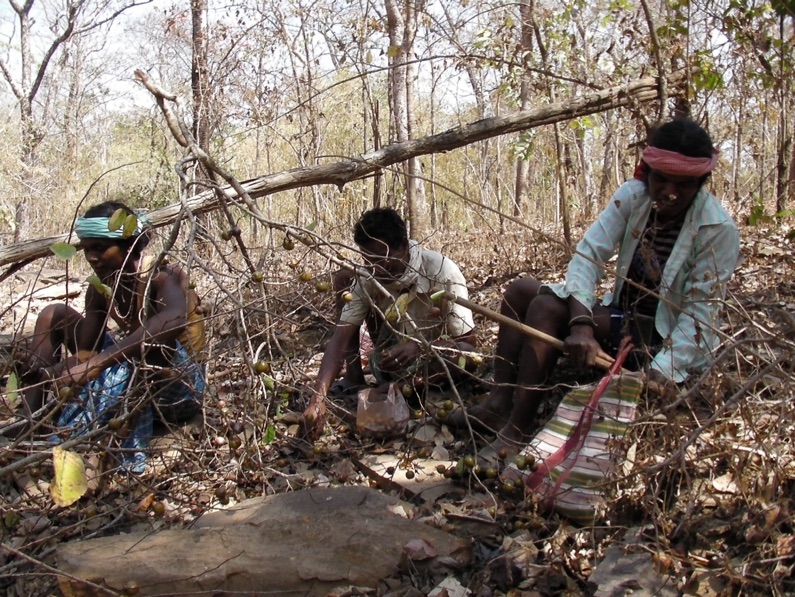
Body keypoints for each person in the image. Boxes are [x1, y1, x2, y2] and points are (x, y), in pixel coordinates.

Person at [462, 118, 740, 457]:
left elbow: (700, 315)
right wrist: (581, 325)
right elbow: (588, 255)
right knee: (521, 291)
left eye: (683, 185)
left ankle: (518, 429)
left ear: (700, 183)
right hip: (620, 314)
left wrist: (660, 371)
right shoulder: (633, 197)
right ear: (647, 173)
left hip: (658, 335)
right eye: (661, 179)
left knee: (545, 308)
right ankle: (499, 401)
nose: (669, 191)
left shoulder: (716, 228)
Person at [20, 201, 206, 471]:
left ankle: (123, 449)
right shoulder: (100, 287)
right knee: (53, 314)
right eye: (87, 249)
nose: (92, 257)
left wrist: (98, 363)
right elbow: (88, 349)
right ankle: (30, 422)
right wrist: (62, 368)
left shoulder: (162, 274)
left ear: (129, 245)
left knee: (153, 346)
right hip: (130, 369)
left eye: (100, 248)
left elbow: (172, 321)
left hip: (178, 387)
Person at [302, 207, 477, 441]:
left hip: (434, 359)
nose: (376, 269)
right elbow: (340, 338)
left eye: (382, 260)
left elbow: (468, 344)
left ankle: (402, 388)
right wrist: (317, 399)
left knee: (464, 354)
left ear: (403, 246)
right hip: (390, 356)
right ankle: (360, 380)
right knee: (346, 278)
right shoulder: (369, 276)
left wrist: (421, 347)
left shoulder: (441, 271)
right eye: (368, 260)